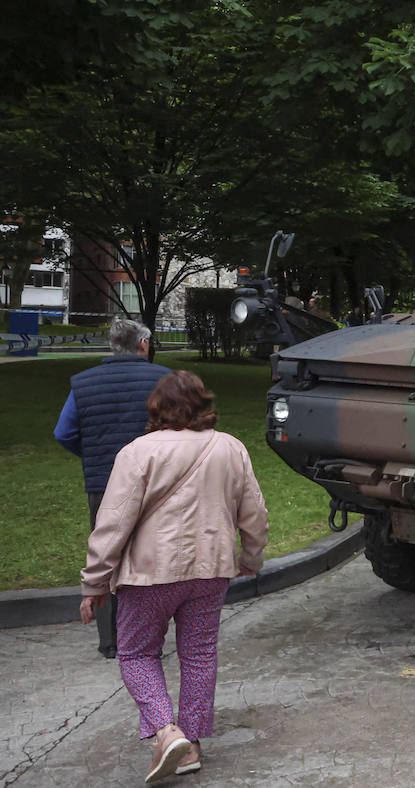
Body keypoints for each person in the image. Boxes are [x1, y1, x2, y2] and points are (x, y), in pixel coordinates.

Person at [80, 370, 268, 783]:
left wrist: (94, 582)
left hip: (150, 574)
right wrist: (251, 558)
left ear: (157, 407)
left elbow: (111, 524)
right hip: (211, 571)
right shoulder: (231, 448)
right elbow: (254, 514)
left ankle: (167, 732)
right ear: (204, 403)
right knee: (199, 654)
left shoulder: (138, 452)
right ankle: (192, 746)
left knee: (136, 653)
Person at [53, 317, 172, 658]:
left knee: (106, 555)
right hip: (155, 483)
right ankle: (146, 636)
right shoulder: (164, 380)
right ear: (143, 344)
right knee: (152, 556)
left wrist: (91, 454)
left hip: (102, 481)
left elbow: (64, 433)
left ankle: (110, 641)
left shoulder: (83, 383)